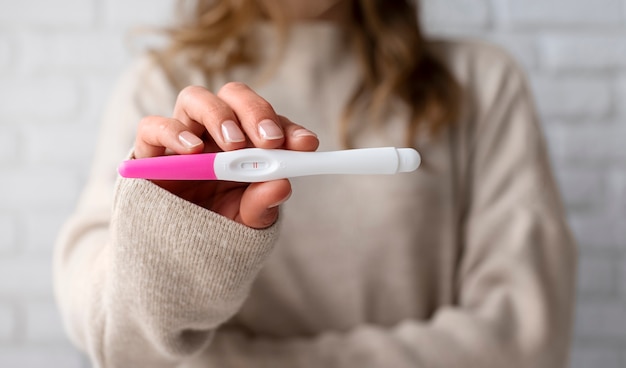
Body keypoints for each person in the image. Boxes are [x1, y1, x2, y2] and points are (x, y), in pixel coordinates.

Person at [53, 0, 577, 367]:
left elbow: (524, 344)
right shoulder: (163, 86)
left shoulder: (482, 83)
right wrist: (175, 242)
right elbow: (119, 346)